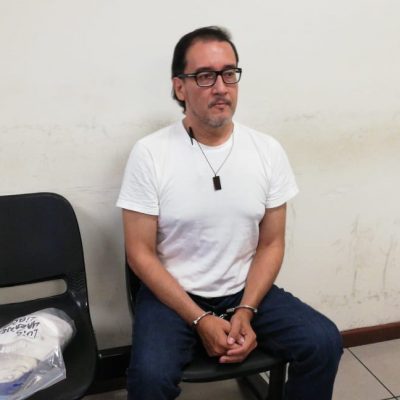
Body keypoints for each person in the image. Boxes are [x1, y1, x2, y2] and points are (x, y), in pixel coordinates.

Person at [117, 26, 343, 400]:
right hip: (173, 295)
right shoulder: (151, 154)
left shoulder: (267, 151)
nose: (221, 87)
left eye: (229, 73)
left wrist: (247, 310)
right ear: (179, 87)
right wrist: (200, 319)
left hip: (244, 289)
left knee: (323, 342)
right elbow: (139, 253)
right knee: (149, 378)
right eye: (205, 76)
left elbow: (271, 244)